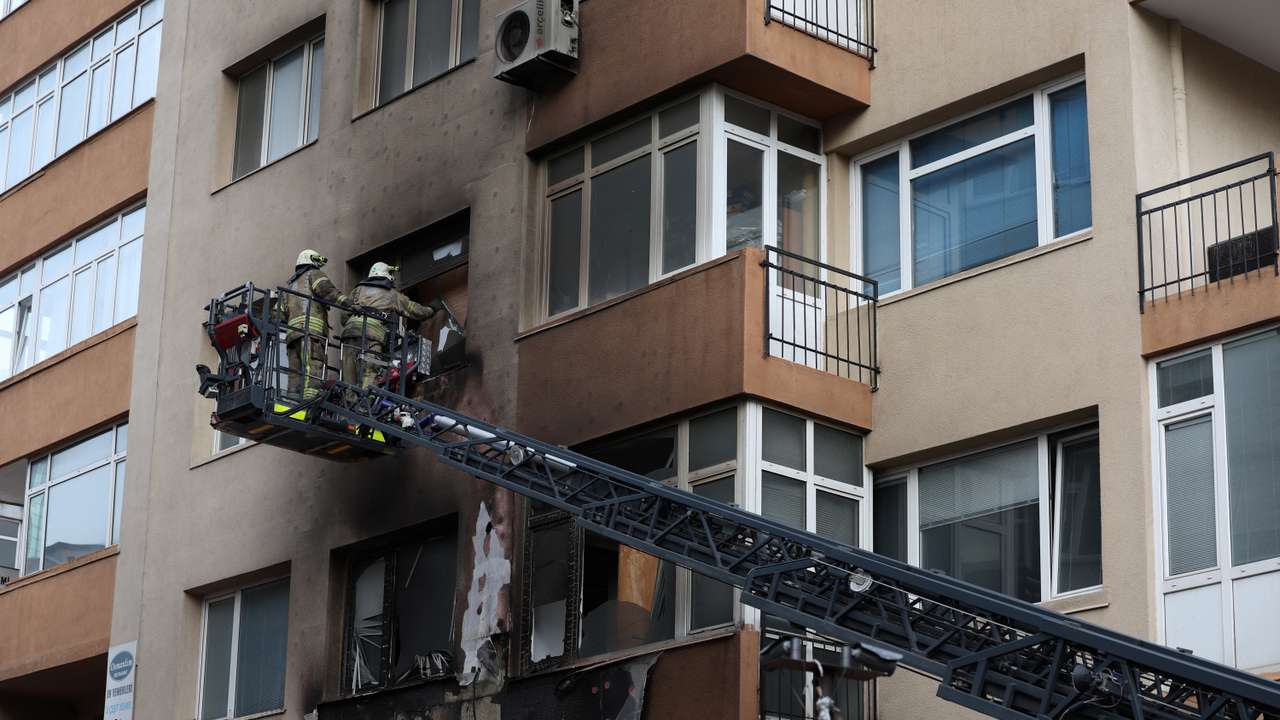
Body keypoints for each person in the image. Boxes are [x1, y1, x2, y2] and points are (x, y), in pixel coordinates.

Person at [339, 262, 438, 392]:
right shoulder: (391, 293)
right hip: (372, 335)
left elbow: (344, 316)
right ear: (385, 274)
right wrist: (431, 309)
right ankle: (364, 404)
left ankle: (348, 404)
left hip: (349, 333)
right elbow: (413, 309)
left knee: (349, 374)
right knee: (370, 369)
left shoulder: (356, 291)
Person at [281, 249, 347, 401]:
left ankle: (293, 401)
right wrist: (348, 303)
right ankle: (310, 403)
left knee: (295, 373)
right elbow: (328, 291)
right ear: (310, 260)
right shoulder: (313, 274)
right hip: (311, 333)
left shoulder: (289, 286)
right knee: (314, 369)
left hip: (292, 337)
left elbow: (278, 313)